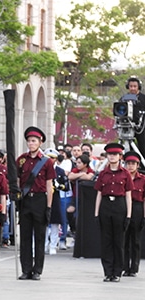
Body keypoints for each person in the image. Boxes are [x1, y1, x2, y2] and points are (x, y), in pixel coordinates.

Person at [16, 126, 55, 281]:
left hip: (40, 199)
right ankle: (26, 269)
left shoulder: (46, 162)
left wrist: (49, 207)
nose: (31, 143)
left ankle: (37, 270)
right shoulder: (21, 160)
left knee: (39, 237)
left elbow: (49, 186)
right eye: (29, 141)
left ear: (40, 142)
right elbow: (18, 181)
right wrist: (16, 195)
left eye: (34, 141)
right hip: (26, 200)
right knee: (25, 237)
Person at [94, 143, 133, 282]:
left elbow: (128, 195)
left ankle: (117, 272)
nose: (112, 157)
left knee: (118, 241)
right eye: (110, 154)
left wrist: (128, 215)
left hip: (119, 205)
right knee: (106, 241)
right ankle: (107, 271)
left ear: (120, 156)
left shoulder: (125, 173)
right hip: (105, 205)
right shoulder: (103, 173)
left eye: (115, 154)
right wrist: (96, 213)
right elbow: (99, 194)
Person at [122, 151, 145, 277]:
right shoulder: (122, 178)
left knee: (135, 240)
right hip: (123, 207)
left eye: (133, 163)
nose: (130, 166)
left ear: (138, 165)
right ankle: (125, 266)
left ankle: (134, 268)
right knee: (124, 239)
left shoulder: (143, 179)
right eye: (128, 163)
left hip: (137, 207)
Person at [43, 148, 66, 255]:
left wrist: (59, 186)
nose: (50, 160)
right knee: (44, 222)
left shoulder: (60, 171)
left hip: (55, 198)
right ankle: (45, 244)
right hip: (43, 197)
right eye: (48, 158)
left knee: (55, 223)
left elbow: (66, 186)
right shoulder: (41, 169)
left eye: (52, 158)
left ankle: (53, 245)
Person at [122, 77, 145, 156]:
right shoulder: (123, 98)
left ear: (139, 87)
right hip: (127, 126)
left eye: (135, 86)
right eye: (131, 86)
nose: (132, 88)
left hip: (141, 128)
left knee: (143, 146)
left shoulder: (143, 98)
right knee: (127, 147)